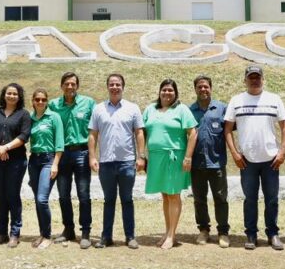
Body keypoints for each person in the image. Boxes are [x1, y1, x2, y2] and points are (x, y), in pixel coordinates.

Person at [224, 65, 285, 251]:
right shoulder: (236, 100)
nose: (254, 80)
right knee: (250, 198)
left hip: (271, 160)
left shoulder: (274, 99)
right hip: (247, 160)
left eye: (257, 77)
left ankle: (272, 234)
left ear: (263, 79)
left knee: (272, 199)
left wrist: (282, 152)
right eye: (251, 77)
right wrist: (235, 153)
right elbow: (227, 129)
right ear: (245, 80)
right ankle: (251, 234)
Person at [88, 73, 146, 249]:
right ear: (107, 87)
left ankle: (130, 237)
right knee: (109, 200)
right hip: (106, 163)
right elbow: (93, 134)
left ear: (123, 86)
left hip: (127, 162)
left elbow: (139, 133)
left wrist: (141, 156)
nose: (115, 87)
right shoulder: (98, 109)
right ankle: (106, 237)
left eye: (118, 84)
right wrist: (92, 156)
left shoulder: (132, 108)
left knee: (127, 200)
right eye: (112, 84)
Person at [143, 79, 198, 250]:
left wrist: (188, 157)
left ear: (176, 93)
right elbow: (142, 132)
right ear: (159, 92)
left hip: (174, 157)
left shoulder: (181, 110)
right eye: (164, 90)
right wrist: (141, 156)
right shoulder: (150, 109)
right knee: (165, 195)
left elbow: (193, 133)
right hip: (155, 158)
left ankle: (172, 235)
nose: (167, 93)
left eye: (170, 90)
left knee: (173, 194)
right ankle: (167, 231)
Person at [48, 72, 95, 249]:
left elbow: (94, 130)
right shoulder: (53, 105)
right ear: (61, 86)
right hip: (61, 154)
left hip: (82, 152)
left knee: (84, 194)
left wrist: (93, 155)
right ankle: (68, 229)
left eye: (73, 84)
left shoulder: (88, 103)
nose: (70, 87)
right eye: (66, 84)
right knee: (63, 194)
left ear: (77, 86)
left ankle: (85, 232)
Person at [0, 83, 31, 248]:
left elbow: (24, 135)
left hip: (16, 161)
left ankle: (14, 233)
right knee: (1, 196)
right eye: (9, 93)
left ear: (19, 97)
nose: (11, 96)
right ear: (4, 95)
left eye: (15, 94)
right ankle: (1, 233)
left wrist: (6, 147)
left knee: (13, 195)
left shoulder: (24, 114)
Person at [189, 75, 231, 248]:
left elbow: (230, 130)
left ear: (211, 88)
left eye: (206, 86)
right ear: (195, 89)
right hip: (197, 164)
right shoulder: (189, 111)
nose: (203, 89)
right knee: (199, 199)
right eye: (199, 87)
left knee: (220, 198)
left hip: (217, 163)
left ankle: (223, 232)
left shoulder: (222, 108)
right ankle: (204, 230)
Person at [27, 88, 64, 249]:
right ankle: (42, 233)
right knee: (37, 199)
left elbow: (60, 143)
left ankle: (48, 236)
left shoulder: (54, 117)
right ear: (33, 101)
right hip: (34, 160)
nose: (40, 102)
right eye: (37, 99)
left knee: (42, 199)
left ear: (47, 101)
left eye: (43, 99)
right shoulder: (30, 118)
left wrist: (55, 164)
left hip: (49, 161)